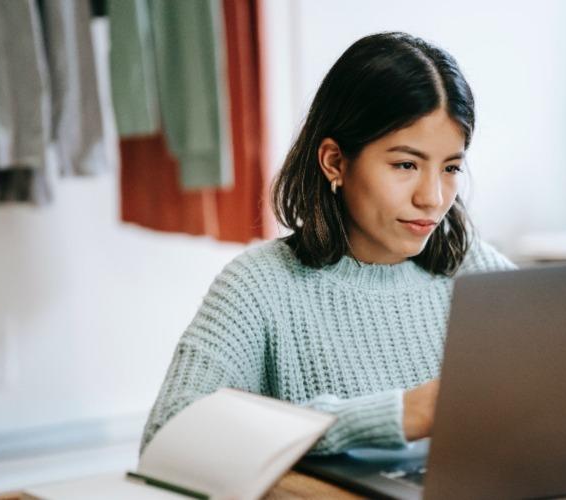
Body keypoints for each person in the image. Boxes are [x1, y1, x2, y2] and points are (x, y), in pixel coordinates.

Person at [139, 31, 516, 456]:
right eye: (405, 165)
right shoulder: (260, 286)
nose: (432, 197)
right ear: (335, 161)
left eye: (450, 168)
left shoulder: (476, 270)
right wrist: (394, 415)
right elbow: (166, 436)